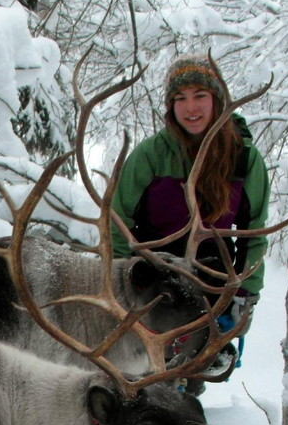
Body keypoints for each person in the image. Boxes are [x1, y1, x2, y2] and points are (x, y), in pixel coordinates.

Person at [111, 54, 270, 359]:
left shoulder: (245, 159)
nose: (191, 107)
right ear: (171, 106)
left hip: (212, 276)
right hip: (153, 275)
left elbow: (255, 234)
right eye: (180, 98)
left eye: (200, 95)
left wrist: (244, 294)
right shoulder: (150, 156)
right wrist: (120, 281)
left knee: (197, 366)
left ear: (217, 100)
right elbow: (117, 223)